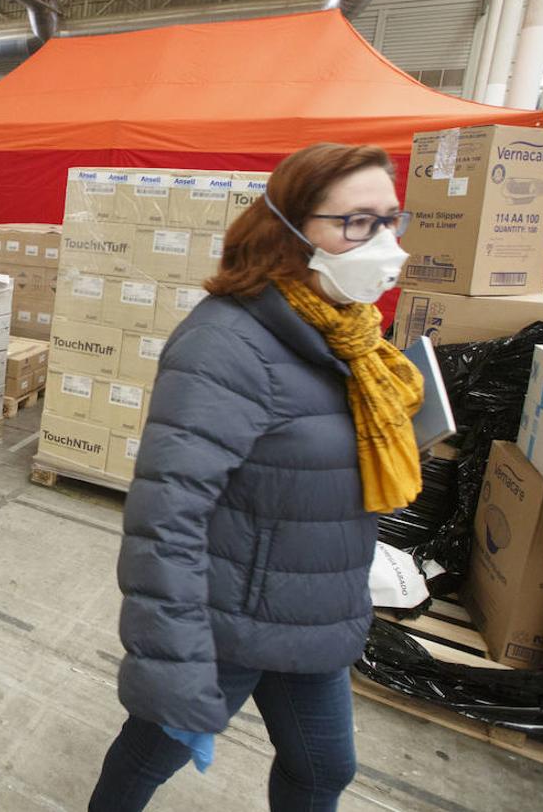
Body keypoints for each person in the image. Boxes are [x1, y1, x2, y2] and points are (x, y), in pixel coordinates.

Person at [89, 143, 424, 812]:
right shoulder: (226, 346)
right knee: (152, 755)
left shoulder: (349, 336)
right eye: (357, 222)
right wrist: (177, 667)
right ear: (289, 230)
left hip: (312, 610)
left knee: (323, 769)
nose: (383, 243)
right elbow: (165, 520)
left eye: (389, 219)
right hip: (230, 621)